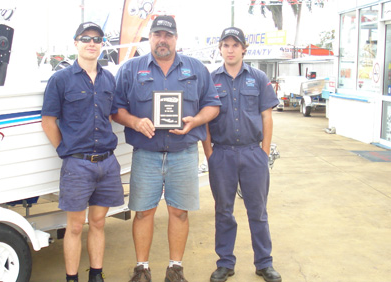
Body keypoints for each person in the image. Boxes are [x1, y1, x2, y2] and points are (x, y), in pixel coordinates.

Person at [112, 15, 221, 282]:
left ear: (176, 38)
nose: (163, 40)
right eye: (158, 34)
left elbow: (213, 105)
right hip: (146, 154)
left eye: (168, 35)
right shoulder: (130, 69)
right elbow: (116, 110)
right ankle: (142, 269)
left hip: (183, 154)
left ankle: (175, 269)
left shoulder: (196, 69)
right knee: (144, 212)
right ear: (150, 37)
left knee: (179, 212)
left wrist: (196, 120)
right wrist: (135, 122)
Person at [41, 22, 124, 282]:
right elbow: (48, 121)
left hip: (107, 163)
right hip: (77, 165)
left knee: (99, 222)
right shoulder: (60, 79)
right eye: (85, 38)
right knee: (75, 226)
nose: (92, 43)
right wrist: (65, 151)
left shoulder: (109, 78)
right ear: (76, 42)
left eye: (97, 39)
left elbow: (110, 115)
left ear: (102, 45)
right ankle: (72, 278)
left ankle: (96, 275)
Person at [203, 27, 282, 282]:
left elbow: (266, 117)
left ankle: (264, 262)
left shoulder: (258, 77)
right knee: (223, 211)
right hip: (222, 155)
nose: (230, 49)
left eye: (235, 45)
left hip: (252, 154)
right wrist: (210, 154)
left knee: (257, 211)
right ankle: (225, 263)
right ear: (220, 49)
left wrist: (263, 152)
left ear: (244, 48)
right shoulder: (210, 79)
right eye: (225, 45)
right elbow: (204, 119)